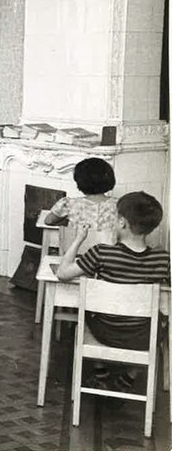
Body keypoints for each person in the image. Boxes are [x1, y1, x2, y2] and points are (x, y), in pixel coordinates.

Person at [55, 191, 170, 390]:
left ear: (122, 223)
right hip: (143, 336)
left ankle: (101, 371)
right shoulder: (162, 258)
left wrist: (78, 240)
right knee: (162, 322)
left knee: (83, 317)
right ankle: (130, 375)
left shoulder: (101, 252)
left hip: (104, 332)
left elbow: (63, 273)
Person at [44, 157, 118, 230]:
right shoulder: (119, 205)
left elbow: (48, 221)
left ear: (79, 181)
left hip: (78, 241)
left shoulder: (68, 204)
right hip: (108, 242)